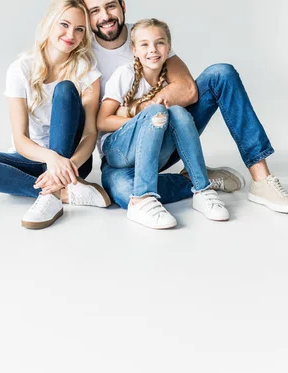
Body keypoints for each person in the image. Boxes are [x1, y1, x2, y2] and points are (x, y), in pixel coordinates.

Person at [77, 0, 288, 215]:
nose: (105, 16)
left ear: (123, 6)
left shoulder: (146, 37)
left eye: (110, 6)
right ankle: (196, 179)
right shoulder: (83, 54)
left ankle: (261, 180)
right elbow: (97, 120)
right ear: (86, 16)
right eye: (95, 10)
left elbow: (188, 90)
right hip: (122, 154)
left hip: (168, 134)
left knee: (220, 74)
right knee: (125, 192)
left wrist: (143, 109)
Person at [0, 0, 111, 230]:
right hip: (35, 158)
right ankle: (62, 193)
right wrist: (50, 158)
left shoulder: (86, 71)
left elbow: (90, 134)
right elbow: (20, 139)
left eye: (80, 29)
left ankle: (51, 194)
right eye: (64, 24)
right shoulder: (20, 69)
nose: (71, 35)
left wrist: (66, 165)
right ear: (49, 23)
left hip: (74, 162)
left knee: (65, 89)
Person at [97, 18, 229, 229]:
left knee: (178, 112)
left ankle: (201, 189)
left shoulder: (170, 81)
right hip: (118, 152)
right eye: (145, 44)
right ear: (134, 49)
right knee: (157, 111)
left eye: (159, 43)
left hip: (151, 155)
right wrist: (141, 119)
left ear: (168, 47)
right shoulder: (125, 74)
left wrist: (152, 117)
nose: (153, 50)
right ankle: (142, 197)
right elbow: (102, 121)